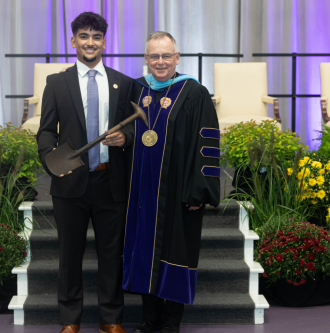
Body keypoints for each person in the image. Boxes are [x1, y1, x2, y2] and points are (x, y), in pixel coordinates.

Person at [37, 12, 134, 333]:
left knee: (112, 254)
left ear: (104, 42)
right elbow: (46, 132)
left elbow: (133, 133)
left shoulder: (123, 82)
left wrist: (125, 138)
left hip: (111, 180)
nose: (89, 42)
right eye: (83, 36)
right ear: (73, 41)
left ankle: (111, 319)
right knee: (69, 255)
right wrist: (52, 163)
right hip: (71, 183)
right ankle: (70, 320)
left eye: (96, 37)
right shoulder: (56, 82)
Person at [123, 31, 221, 333]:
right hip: (140, 192)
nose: (161, 62)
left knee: (176, 251)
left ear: (177, 58)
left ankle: (171, 321)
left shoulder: (193, 92)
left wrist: (199, 191)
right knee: (143, 251)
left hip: (179, 190)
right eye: (154, 56)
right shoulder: (135, 91)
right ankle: (148, 318)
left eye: (166, 56)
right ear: (146, 59)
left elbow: (206, 143)